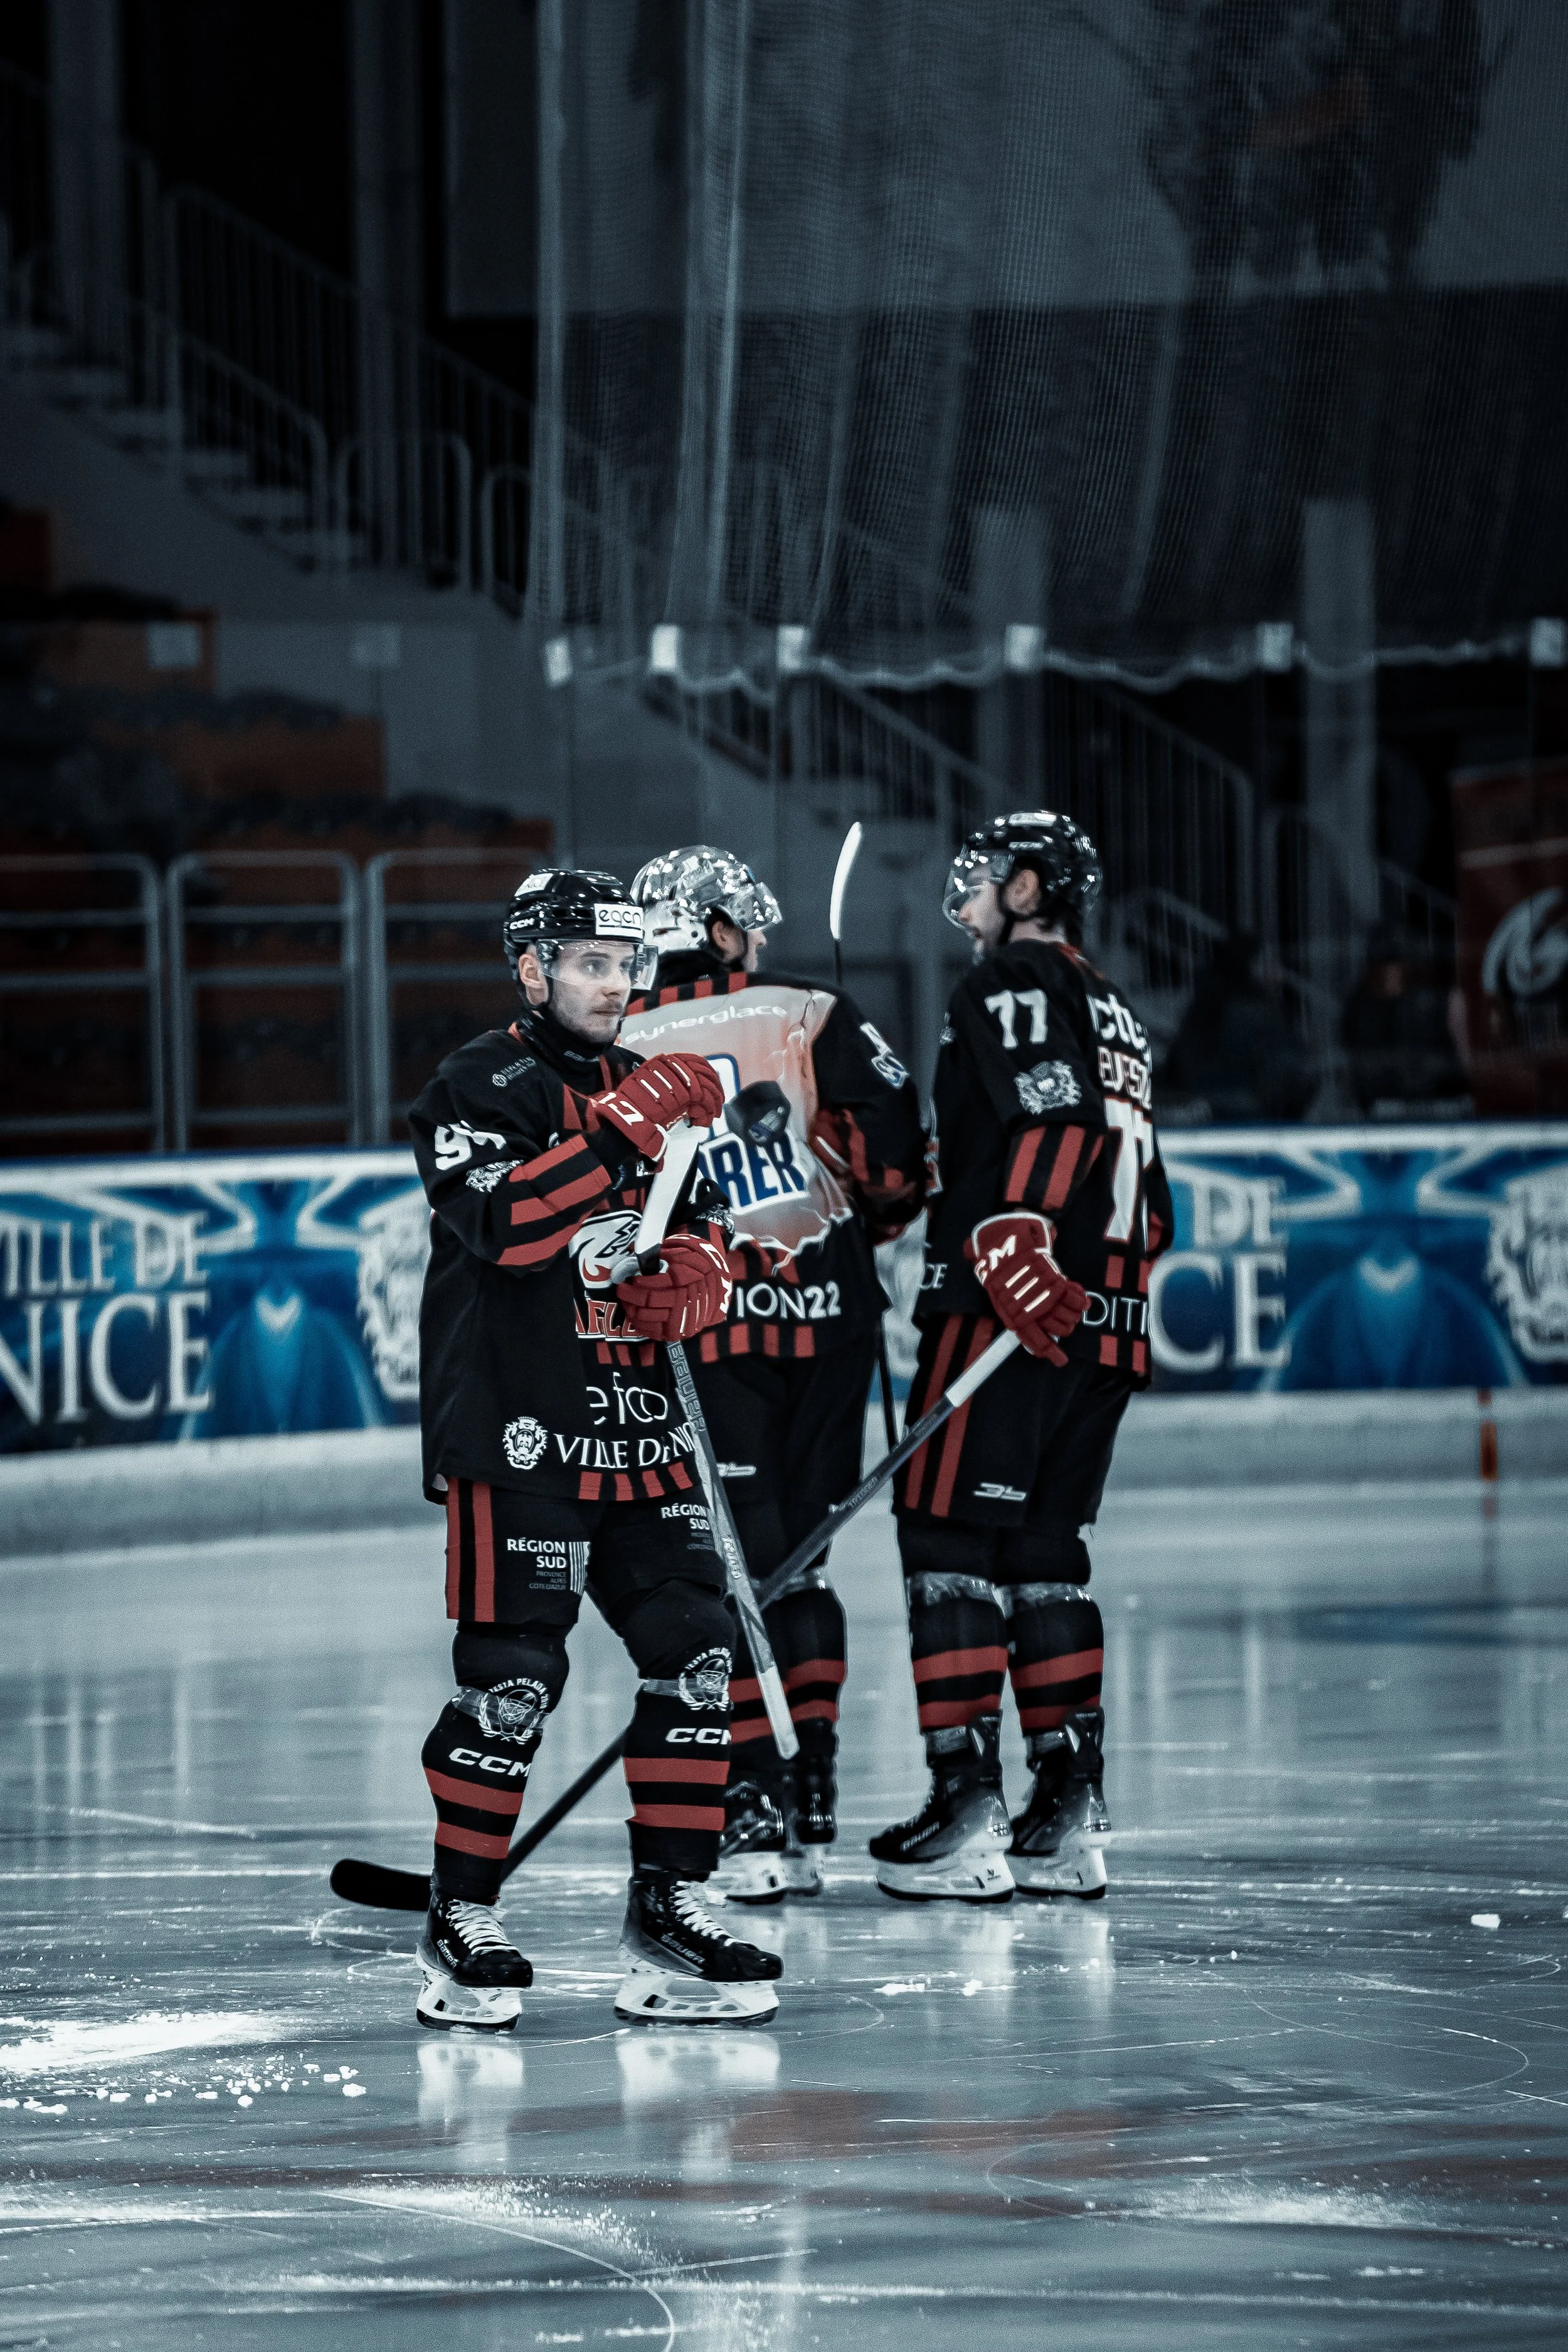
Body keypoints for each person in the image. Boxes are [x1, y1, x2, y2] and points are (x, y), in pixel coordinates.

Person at [406, 867, 784, 2030]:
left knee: (699, 1654)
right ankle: (461, 1916)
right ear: (533, 968)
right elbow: (506, 1223)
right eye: (589, 963)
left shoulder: (651, 1088)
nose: (615, 986)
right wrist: (619, 1129)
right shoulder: (480, 1080)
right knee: (514, 1676)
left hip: (646, 1428)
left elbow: (724, 1231)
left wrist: (708, 1274)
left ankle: (671, 1908)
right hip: (521, 1427)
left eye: (626, 965)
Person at [872, 810, 1173, 1904]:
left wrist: (1020, 1239)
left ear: (1034, 888)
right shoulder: (1116, 1005)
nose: (968, 900)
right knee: (1047, 1550)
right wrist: (1105, 1281)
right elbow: (1147, 1177)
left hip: (1012, 1307)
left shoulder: (1014, 982)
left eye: (987, 879)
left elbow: (1059, 1126)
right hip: (1107, 1315)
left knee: (944, 1534)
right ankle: (1068, 1806)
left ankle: (966, 1812)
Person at [622, 847, 925, 1901]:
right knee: (811, 1566)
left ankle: (750, 1794)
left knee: (738, 1573)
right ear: (718, 928)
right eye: (746, 926)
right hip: (832, 1318)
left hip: (709, 1335)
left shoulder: (616, 1039)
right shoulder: (812, 1009)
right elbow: (897, 1161)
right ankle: (812, 1785)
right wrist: (871, 1208)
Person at [1162, 931, 1312, 1123]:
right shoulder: (1258, 1012)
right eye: (1269, 964)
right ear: (1251, 967)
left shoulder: (1204, 1002)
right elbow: (1285, 1072)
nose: (1279, 972)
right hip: (1251, 1114)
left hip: (1203, 1109)